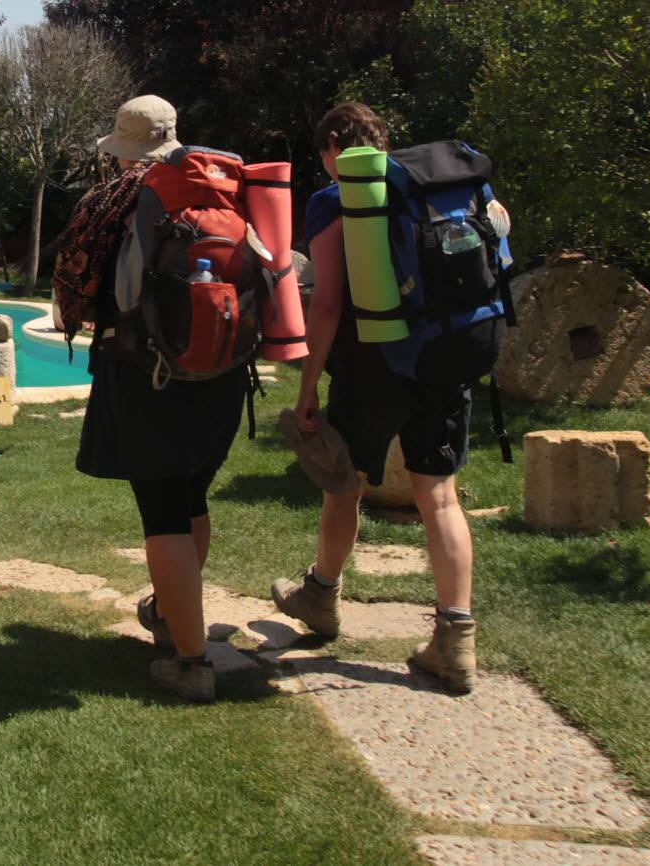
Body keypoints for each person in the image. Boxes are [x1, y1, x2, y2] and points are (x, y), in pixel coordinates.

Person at [271, 102, 488, 694]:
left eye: (324, 155)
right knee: (438, 496)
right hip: (444, 358)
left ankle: (320, 597)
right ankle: (455, 642)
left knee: (344, 484)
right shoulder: (436, 187)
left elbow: (329, 303)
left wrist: (309, 384)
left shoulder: (335, 199)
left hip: (373, 367)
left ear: (334, 147)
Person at [69, 96, 249, 703]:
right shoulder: (225, 183)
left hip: (152, 376)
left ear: (127, 149)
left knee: (163, 513)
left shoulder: (127, 200)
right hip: (224, 373)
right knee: (192, 497)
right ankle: (175, 619)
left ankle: (191, 662)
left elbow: (105, 292)